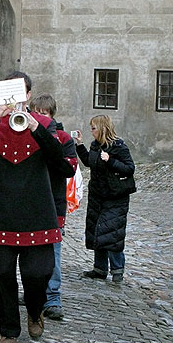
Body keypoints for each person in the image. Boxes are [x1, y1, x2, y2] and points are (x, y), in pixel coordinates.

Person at [0, 71, 64, 343]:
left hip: (37, 213)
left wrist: (35, 126)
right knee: (2, 275)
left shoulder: (46, 124)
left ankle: (35, 311)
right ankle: (8, 330)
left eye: (20, 92)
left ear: (29, 95)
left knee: (39, 274)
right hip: (0, 212)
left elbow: (60, 163)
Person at [27, 94, 77, 321]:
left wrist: (50, 146)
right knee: (27, 253)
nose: (39, 118)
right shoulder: (25, 133)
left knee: (53, 254)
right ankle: (33, 292)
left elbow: (69, 168)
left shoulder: (64, 138)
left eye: (44, 114)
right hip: (30, 202)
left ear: (51, 115)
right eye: (35, 113)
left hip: (53, 203)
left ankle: (53, 297)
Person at [75, 114, 135, 284]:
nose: (91, 131)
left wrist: (111, 161)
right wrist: (80, 145)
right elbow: (89, 162)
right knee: (97, 231)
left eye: (93, 128)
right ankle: (99, 269)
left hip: (115, 196)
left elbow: (129, 168)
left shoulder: (118, 146)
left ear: (102, 128)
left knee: (111, 233)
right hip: (97, 196)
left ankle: (117, 270)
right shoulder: (95, 146)